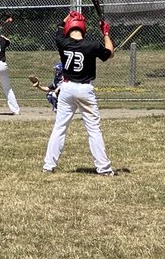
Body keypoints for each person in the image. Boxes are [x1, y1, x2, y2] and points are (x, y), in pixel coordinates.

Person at [43, 11, 115, 176]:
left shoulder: (62, 42)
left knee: (60, 127)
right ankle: (104, 168)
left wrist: (66, 17)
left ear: (69, 27)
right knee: (93, 129)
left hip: (66, 89)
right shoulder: (93, 45)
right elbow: (110, 53)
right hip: (85, 90)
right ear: (84, 28)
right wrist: (105, 33)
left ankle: (48, 165)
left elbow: (59, 28)